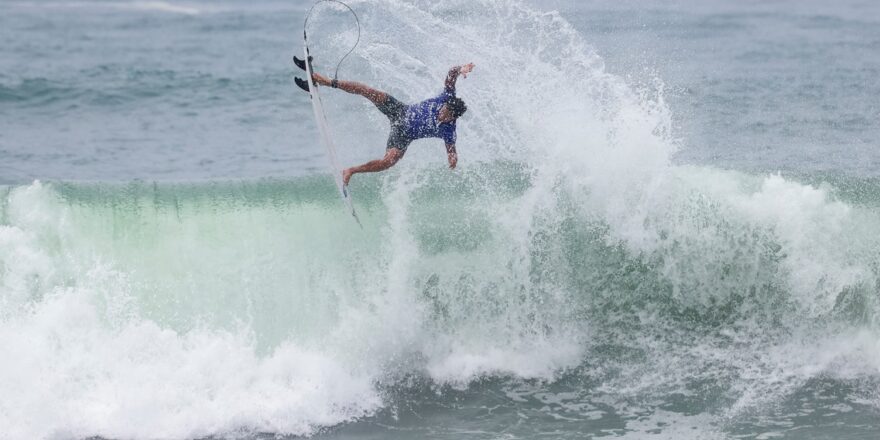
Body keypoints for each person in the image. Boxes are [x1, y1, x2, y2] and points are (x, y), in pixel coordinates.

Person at [311, 63, 475, 186]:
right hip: (400, 111)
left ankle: (350, 171)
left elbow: (451, 151)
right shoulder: (447, 97)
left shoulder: (449, 130)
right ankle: (328, 82)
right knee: (369, 92)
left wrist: (452, 160)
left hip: (404, 135)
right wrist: (461, 69)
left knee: (388, 161)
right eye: (444, 109)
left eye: (446, 114)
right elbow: (451, 74)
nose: (442, 113)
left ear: (453, 117)